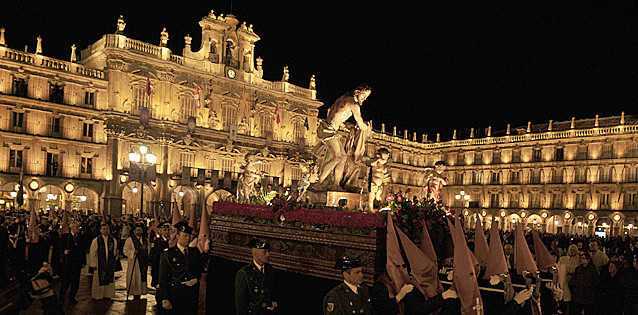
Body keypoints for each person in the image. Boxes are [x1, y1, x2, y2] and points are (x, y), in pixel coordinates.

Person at [315, 84, 371, 191]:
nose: (364, 99)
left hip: (330, 130)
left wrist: (346, 127)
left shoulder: (343, 99)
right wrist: (367, 128)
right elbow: (361, 124)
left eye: (366, 97)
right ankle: (318, 183)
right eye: (364, 95)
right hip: (327, 131)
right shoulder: (354, 105)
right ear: (357, 92)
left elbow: (336, 117)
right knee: (337, 157)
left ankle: (336, 185)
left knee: (343, 158)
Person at [158, 221, 208, 313]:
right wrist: (164, 298)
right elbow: (163, 277)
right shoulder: (169, 254)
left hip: (191, 294)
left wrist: (196, 279)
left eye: (189, 236)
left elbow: (199, 267)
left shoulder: (194, 252)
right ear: (177, 236)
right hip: (175, 293)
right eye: (185, 236)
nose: (188, 238)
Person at [234, 239, 278, 314]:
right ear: (255, 254)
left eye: (268, 252)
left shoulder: (269, 270)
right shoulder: (245, 273)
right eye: (264, 252)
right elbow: (240, 303)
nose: (268, 255)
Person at [88, 223, 118, 300]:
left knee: (109, 279)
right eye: (103, 229)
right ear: (100, 230)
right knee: (98, 279)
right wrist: (93, 264)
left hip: (109, 263)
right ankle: (98, 295)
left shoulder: (113, 240)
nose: (105, 230)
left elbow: (114, 251)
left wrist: (115, 254)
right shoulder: (96, 240)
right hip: (99, 263)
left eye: (107, 228)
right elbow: (92, 253)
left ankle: (108, 294)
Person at [59, 221, 86, 304]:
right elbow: (59, 248)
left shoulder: (81, 237)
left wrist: (83, 261)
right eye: (76, 227)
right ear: (72, 228)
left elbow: (83, 250)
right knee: (66, 281)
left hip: (77, 263)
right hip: (68, 263)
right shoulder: (65, 237)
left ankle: (72, 297)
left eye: (78, 227)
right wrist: (64, 252)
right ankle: (61, 297)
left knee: (75, 282)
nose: (78, 229)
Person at [124, 223, 149, 299]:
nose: (139, 232)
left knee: (141, 277)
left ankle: (141, 291)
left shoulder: (145, 240)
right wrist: (133, 252)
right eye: (137, 230)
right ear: (134, 231)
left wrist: (146, 250)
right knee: (134, 277)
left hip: (143, 261)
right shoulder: (130, 240)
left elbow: (149, 250)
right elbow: (125, 251)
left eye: (140, 230)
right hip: (134, 262)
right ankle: (134, 292)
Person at [558, 244, 580, 313]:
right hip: (564, 281)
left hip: (573, 282)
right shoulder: (562, 259)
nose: (572, 251)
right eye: (571, 250)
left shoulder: (578, 260)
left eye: (574, 250)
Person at [150, 222, 170, 288]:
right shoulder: (158, 242)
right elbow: (154, 258)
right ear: (160, 231)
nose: (167, 232)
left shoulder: (169, 241)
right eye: (165, 230)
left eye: (168, 230)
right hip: (159, 269)